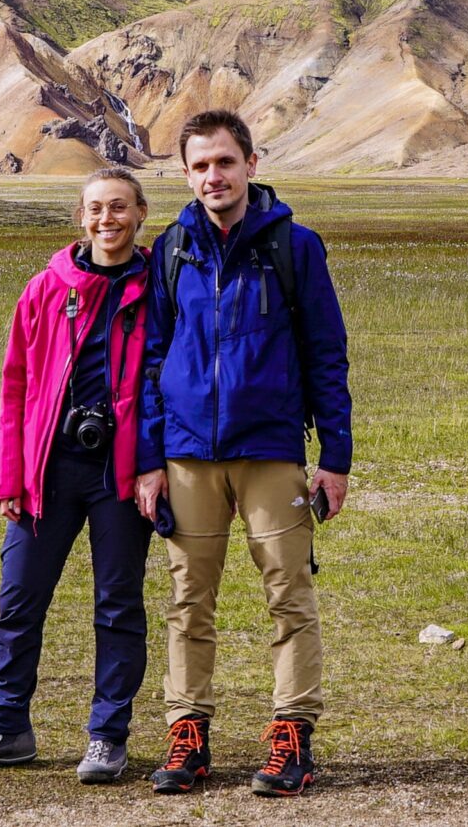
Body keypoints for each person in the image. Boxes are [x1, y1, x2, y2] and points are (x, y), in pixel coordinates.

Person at [135, 109, 353, 798]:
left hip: (271, 453)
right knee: (187, 600)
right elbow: (152, 360)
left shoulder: (295, 247)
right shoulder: (171, 249)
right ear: (186, 174)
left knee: (289, 596)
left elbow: (326, 354)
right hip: (188, 456)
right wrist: (149, 457)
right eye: (199, 166)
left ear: (251, 164)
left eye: (224, 162)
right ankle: (187, 734)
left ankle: (292, 735)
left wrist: (335, 457)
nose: (213, 177)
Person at [0, 167, 155, 784]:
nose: (106, 220)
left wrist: (151, 465)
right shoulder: (45, 288)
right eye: (95, 209)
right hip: (48, 469)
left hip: (120, 472)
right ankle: (6, 727)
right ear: (80, 217)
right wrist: (9, 476)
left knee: (118, 605)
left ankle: (107, 737)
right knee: (19, 600)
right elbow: (15, 388)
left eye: (118, 207)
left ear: (140, 214)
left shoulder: (157, 290)